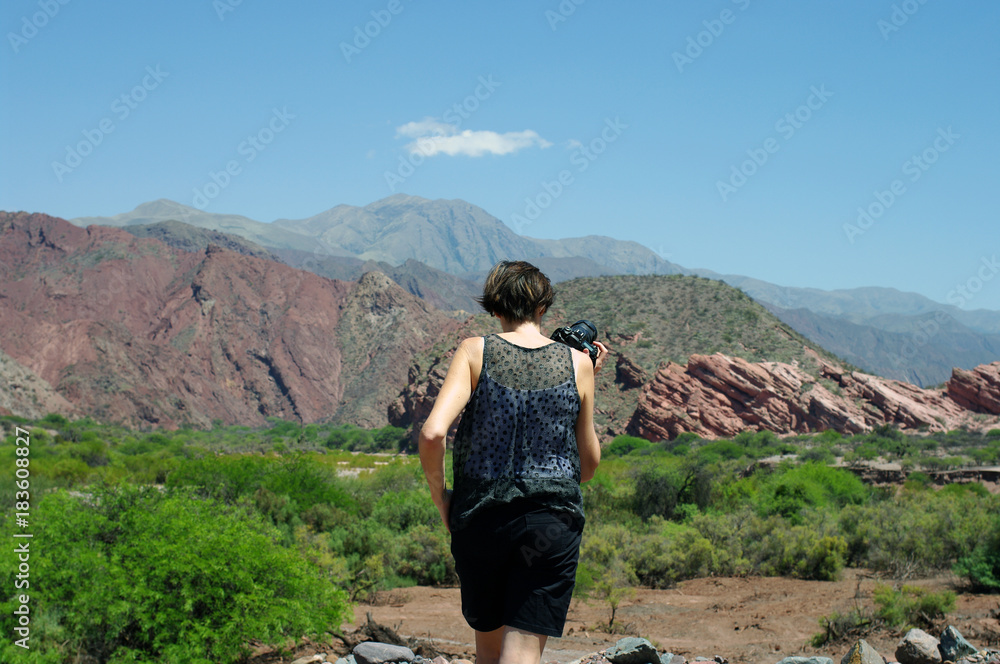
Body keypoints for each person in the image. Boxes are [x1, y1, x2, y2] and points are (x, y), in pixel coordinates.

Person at [418, 260, 608, 664]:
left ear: (495, 308)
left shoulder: (474, 350)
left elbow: (433, 433)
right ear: (543, 308)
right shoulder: (579, 364)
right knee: (522, 651)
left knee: (489, 649)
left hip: (480, 518)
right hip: (550, 524)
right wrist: (588, 377)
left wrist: (442, 499)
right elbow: (588, 468)